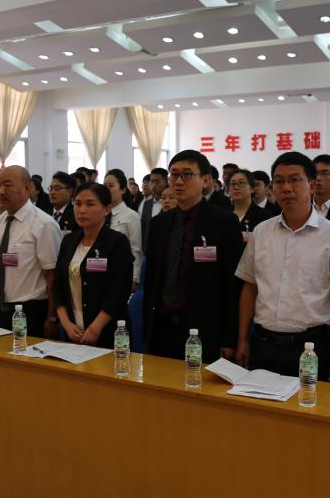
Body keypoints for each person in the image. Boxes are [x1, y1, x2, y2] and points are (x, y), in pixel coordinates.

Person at [236, 152, 330, 380]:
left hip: (311, 347)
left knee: (309, 402)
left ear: (312, 186)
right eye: (279, 181)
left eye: (295, 180)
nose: (286, 188)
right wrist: (242, 339)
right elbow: (250, 287)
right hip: (263, 342)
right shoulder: (261, 232)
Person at [143, 150, 242, 363]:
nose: (178, 181)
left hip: (205, 330)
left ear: (205, 180)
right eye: (173, 175)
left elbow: (232, 285)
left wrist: (229, 338)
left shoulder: (224, 222)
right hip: (161, 327)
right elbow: (151, 280)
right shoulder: (159, 223)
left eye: (187, 174)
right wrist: (147, 331)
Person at [0, 166, 62, 335]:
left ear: (27, 187)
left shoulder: (44, 224)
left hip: (30, 312)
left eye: (8, 185)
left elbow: (53, 276)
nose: (1, 191)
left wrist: (51, 317)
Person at [53, 183, 133, 346]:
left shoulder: (117, 242)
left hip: (107, 331)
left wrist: (95, 328)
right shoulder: (69, 241)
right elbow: (58, 285)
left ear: (106, 209)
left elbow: (120, 291)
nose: (81, 210)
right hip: (73, 329)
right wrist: (66, 323)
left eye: (90, 204)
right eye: (77, 204)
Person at [103, 169, 142, 286]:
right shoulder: (100, 214)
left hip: (120, 274)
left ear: (123, 190)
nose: (106, 189)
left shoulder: (131, 216)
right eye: (104, 186)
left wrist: (134, 279)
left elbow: (136, 249)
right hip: (99, 272)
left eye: (111, 186)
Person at [229, 169, 272, 239]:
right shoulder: (222, 214)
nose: (236, 187)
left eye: (241, 183)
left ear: (252, 188)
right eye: (232, 184)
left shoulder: (264, 216)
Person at [138, 168, 167, 254]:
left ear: (166, 182)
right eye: (152, 182)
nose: (153, 185)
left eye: (157, 182)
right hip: (149, 250)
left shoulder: (170, 203)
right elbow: (143, 228)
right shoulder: (147, 204)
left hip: (166, 249)